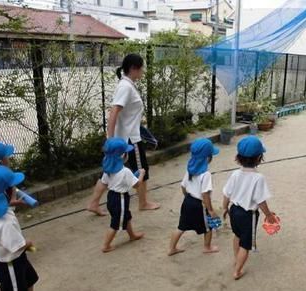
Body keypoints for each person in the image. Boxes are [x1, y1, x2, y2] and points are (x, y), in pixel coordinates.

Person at [88, 53, 159, 215]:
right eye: (142, 68)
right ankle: (143, 202)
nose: (143, 72)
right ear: (134, 68)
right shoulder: (126, 87)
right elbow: (114, 111)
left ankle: (93, 203)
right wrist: (110, 138)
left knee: (110, 171)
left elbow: (123, 112)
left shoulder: (127, 85)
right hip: (129, 139)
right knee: (142, 170)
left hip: (125, 137)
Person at [222, 136, 278, 280]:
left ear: (238, 157)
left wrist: (224, 208)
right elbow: (260, 201)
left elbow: (226, 193)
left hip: (234, 210)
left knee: (237, 235)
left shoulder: (235, 174)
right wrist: (269, 215)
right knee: (246, 245)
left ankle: (236, 259)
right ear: (259, 157)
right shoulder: (258, 178)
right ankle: (237, 271)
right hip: (248, 214)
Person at [0, 165, 39, 291]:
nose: (16, 189)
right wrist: (28, 243)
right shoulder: (6, 222)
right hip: (9, 263)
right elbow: (17, 245)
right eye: (13, 187)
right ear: (7, 193)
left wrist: (11, 203)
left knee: (30, 280)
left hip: (13, 258)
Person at [168, 138, 220, 256]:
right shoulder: (206, 174)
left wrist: (187, 197)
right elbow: (205, 194)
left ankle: (172, 248)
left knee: (181, 226)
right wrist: (210, 210)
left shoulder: (189, 170)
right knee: (208, 227)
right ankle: (207, 247)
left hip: (187, 201)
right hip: (199, 205)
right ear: (207, 158)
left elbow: (183, 186)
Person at [101, 138, 145, 253]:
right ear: (122, 155)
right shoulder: (125, 171)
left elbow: (105, 182)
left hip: (111, 197)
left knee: (126, 216)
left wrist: (133, 175)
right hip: (120, 198)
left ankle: (132, 235)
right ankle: (106, 245)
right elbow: (137, 185)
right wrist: (141, 174)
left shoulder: (108, 169)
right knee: (116, 224)